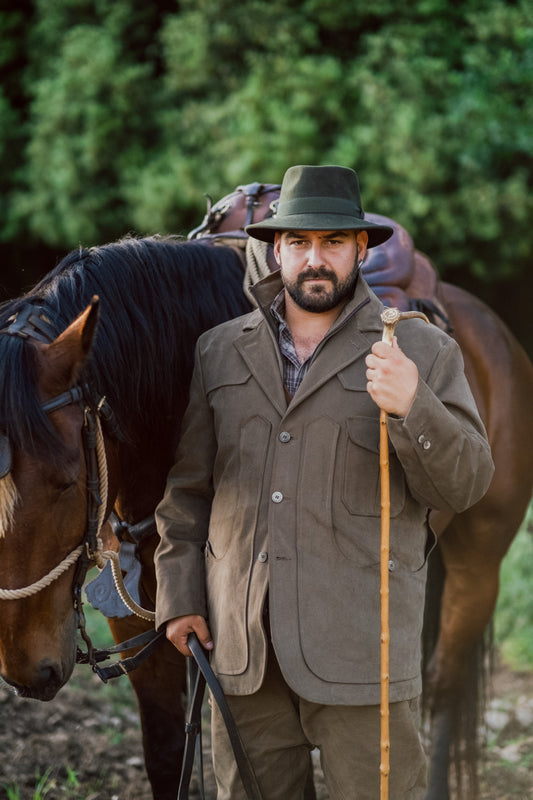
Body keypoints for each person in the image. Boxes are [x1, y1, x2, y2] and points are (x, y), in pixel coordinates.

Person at [154, 165, 494, 799]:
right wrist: (179, 597)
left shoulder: (421, 352)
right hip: (244, 655)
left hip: (365, 656)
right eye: (299, 243)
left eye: (334, 242)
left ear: (361, 249)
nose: (316, 259)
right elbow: (190, 493)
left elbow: (467, 484)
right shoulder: (219, 351)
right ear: (275, 249)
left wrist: (414, 405)